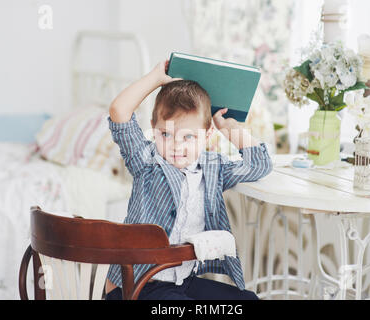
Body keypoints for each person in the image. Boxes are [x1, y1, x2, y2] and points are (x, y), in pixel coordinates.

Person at [105, 59, 273, 300]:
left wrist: (230, 130)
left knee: (248, 299)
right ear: (153, 128)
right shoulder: (147, 162)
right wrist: (155, 79)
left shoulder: (212, 168)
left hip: (181, 281)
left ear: (206, 135)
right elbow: (119, 111)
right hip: (136, 286)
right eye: (166, 134)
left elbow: (259, 164)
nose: (176, 146)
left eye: (188, 137)